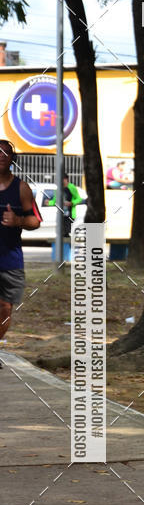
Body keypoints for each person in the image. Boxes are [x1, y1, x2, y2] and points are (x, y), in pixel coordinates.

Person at [0, 140, 41, 367]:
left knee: (5, 308)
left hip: (10, 260)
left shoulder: (22, 188)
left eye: (6, 153)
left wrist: (18, 220)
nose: (1, 156)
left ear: (12, 159)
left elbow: (35, 220)